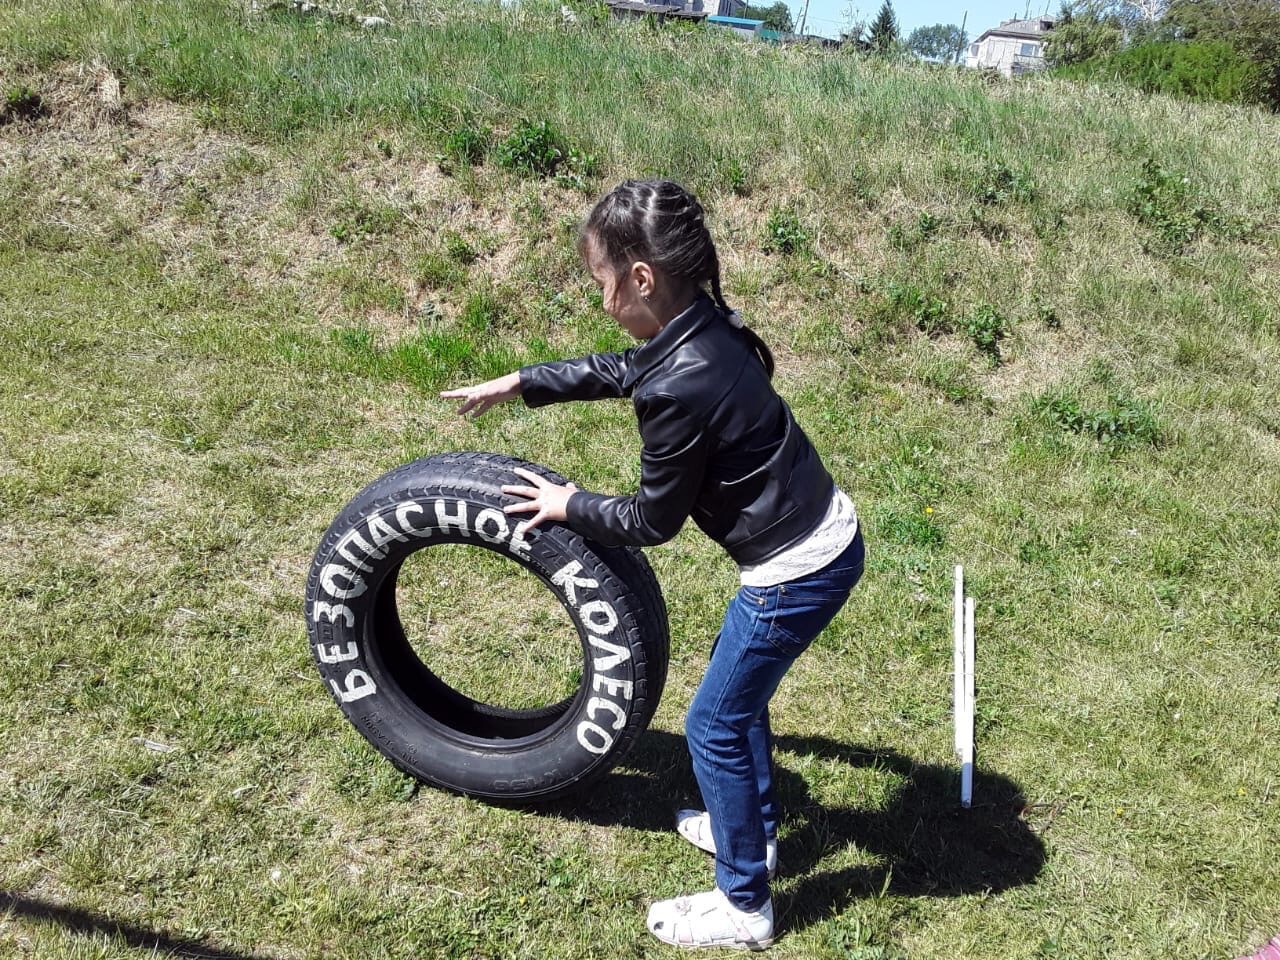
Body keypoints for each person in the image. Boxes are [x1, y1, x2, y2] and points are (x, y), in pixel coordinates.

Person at [441, 179, 864, 950]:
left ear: (640, 277)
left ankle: (745, 904)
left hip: (796, 569)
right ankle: (753, 830)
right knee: (739, 702)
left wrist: (567, 504)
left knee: (714, 724)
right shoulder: (704, 325)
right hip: (822, 533)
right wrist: (525, 381)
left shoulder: (678, 385)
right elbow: (622, 368)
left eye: (601, 281)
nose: (600, 300)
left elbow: (650, 521)